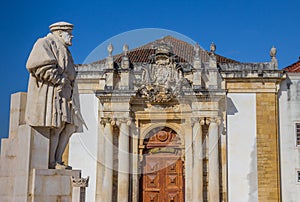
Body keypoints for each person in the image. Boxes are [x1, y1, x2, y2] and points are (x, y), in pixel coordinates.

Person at [25, 22, 85, 169]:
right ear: (59, 32)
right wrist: (58, 79)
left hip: (67, 93)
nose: (71, 36)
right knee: (56, 127)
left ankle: (57, 159)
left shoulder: (65, 50)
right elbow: (37, 64)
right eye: (68, 33)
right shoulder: (45, 43)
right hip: (54, 92)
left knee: (69, 127)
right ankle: (52, 161)